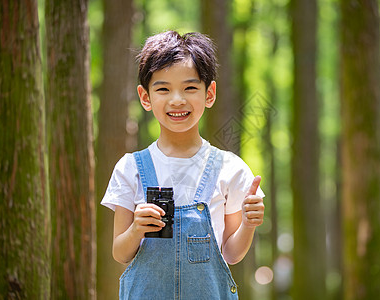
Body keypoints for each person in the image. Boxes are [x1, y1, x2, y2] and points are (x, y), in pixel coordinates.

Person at [101, 30, 265, 299]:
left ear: (209, 93)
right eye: (163, 89)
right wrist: (136, 229)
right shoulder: (130, 168)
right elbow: (120, 252)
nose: (177, 99)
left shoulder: (230, 169)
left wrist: (249, 223)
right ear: (145, 97)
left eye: (190, 87)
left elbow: (231, 255)